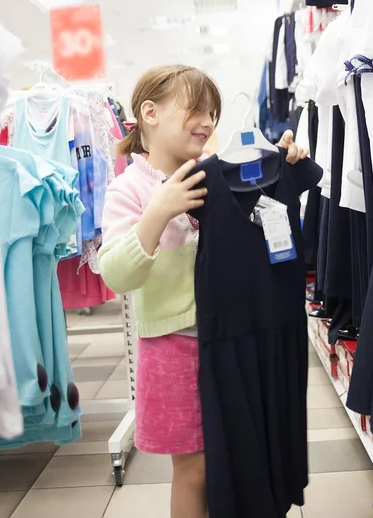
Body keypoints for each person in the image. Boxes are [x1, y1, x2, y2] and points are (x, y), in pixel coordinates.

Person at [98, 65, 308, 518]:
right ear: (149, 113)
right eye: (196, 109)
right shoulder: (130, 188)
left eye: (213, 112)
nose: (209, 121)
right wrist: (158, 212)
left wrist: (281, 169)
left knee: (239, 460)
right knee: (196, 469)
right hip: (176, 350)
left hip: (234, 344)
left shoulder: (221, 174)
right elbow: (115, 273)